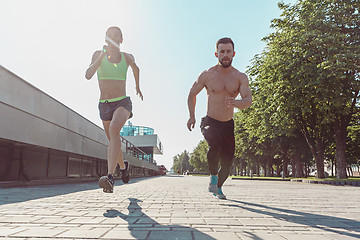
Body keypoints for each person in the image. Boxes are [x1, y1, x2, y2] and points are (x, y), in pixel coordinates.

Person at [187, 37, 252, 199]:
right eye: (222, 51)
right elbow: (191, 94)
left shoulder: (240, 77)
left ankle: (218, 186)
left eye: (228, 52)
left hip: (228, 125)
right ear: (216, 54)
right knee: (214, 144)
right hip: (210, 121)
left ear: (233, 54)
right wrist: (192, 116)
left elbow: (248, 101)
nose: (225, 55)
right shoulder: (207, 75)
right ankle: (213, 176)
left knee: (228, 162)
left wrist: (236, 102)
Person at [85, 26, 143, 193]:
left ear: (121, 40)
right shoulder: (98, 55)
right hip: (104, 104)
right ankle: (124, 167)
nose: (112, 38)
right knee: (113, 140)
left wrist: (137, 85)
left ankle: (110, 176)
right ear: (105, 38)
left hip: (122, 103)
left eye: (116, 36)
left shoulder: (127, 57)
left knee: (114, 129)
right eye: (109, 35)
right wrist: (102, 56)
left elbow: (136, 68)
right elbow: (88, 75)